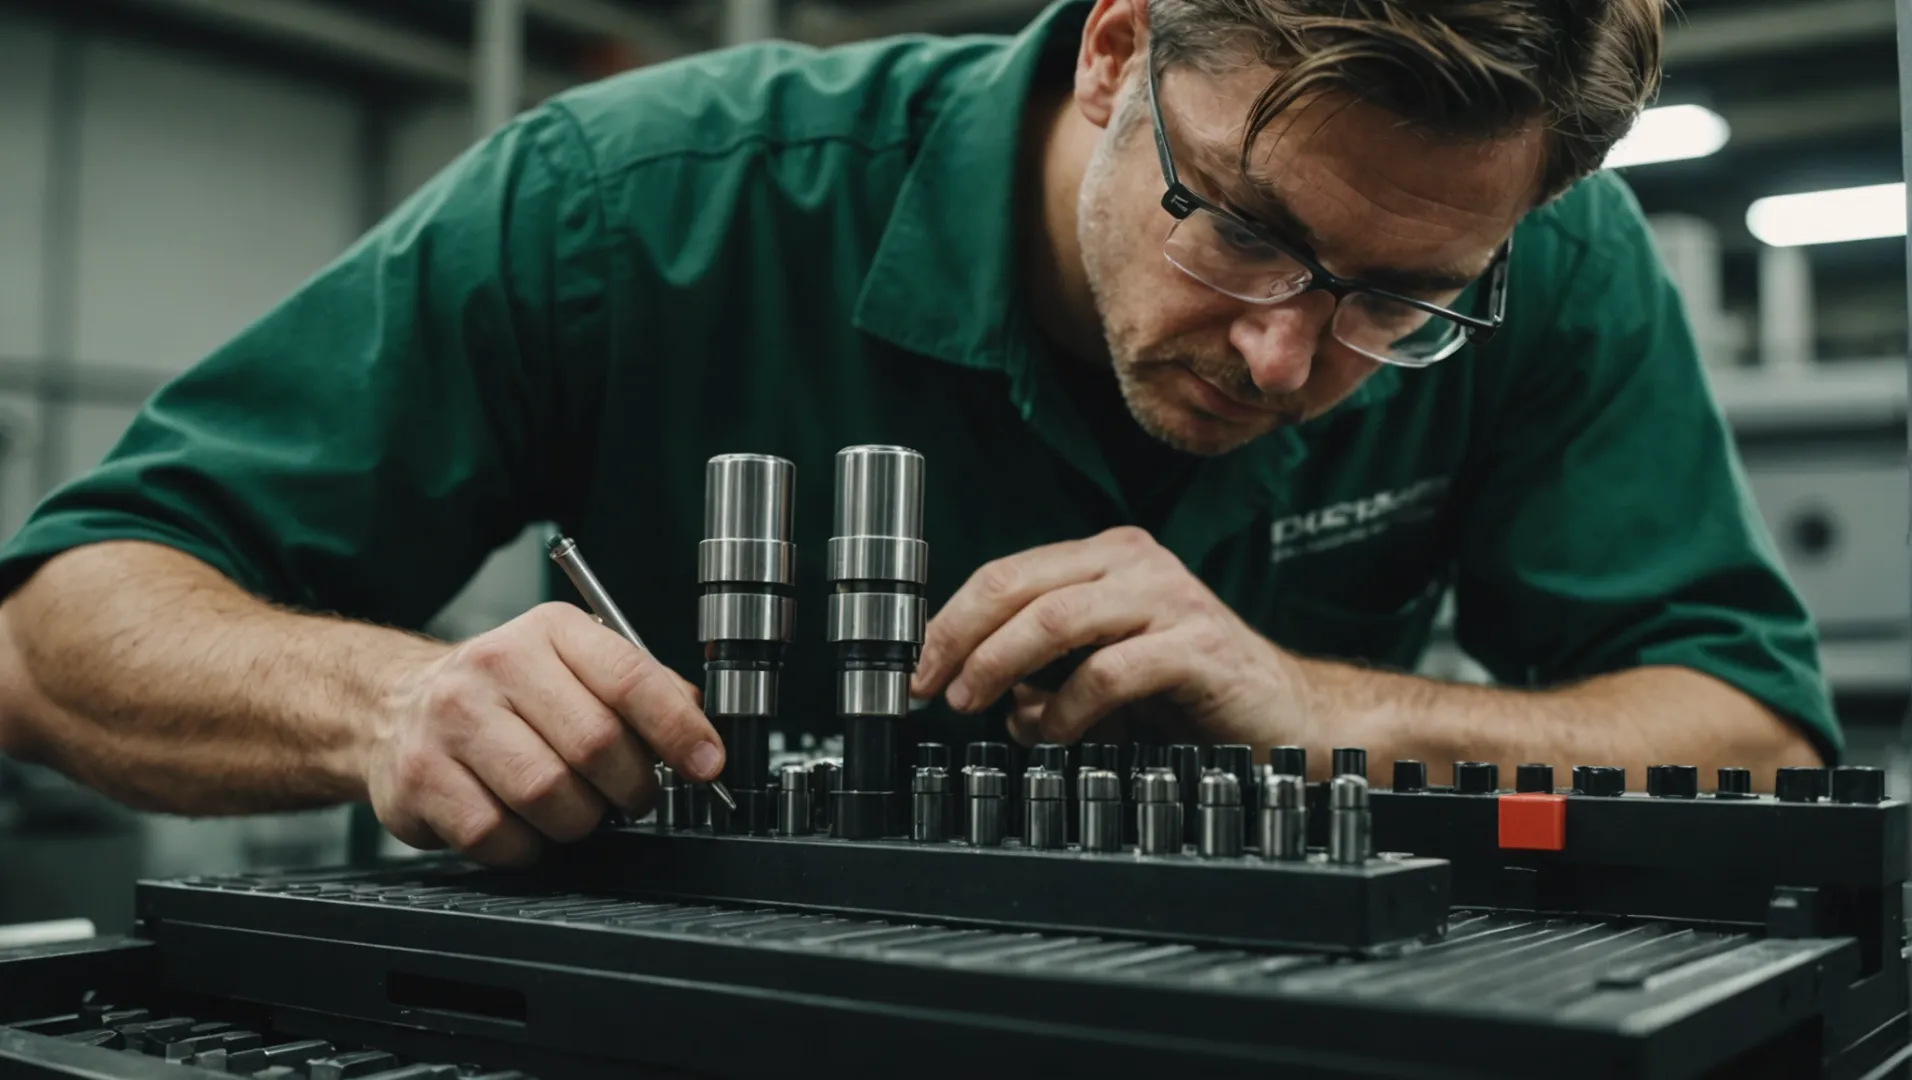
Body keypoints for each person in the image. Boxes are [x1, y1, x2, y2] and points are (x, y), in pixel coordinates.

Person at [0, 0, 1830, 868]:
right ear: (1117, 53)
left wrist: (1327, 708)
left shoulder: (1551, 263)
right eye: (1244, 227)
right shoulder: (631, 206)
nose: (1286, 357)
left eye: (1394, 297)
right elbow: (57, 631)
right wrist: (390, 702)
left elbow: (1746, 738)